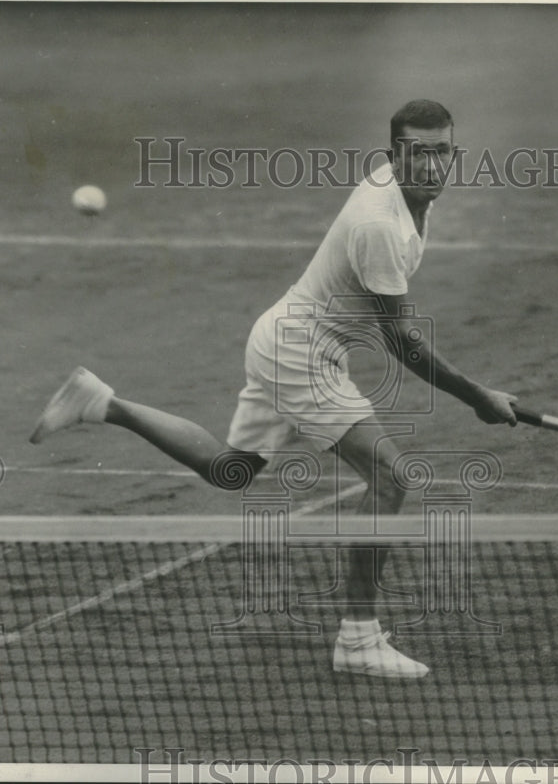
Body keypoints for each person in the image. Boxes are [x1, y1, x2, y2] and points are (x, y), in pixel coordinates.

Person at [30, 99, 518, 679]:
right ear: (393, 156)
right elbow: (404, 345)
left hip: (286, 337)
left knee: (231, 471)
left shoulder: (409, 198)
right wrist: (479, 397)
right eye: (418, 153)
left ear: (455, 155)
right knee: (391, 476)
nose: (432, 167)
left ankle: (101, 402)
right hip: (300, 353)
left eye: (443, 153)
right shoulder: (379, 225)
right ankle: (359, 640)